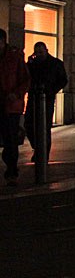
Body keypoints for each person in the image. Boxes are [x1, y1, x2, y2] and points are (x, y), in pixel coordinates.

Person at [24, 42, 67, 161]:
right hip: (33, 97)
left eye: (41, 52)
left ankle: (43, 154)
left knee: (44, 126)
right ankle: (38, 148)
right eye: (36, 52)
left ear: (46, 51)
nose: (38, 55)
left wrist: (52, 90)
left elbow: (63, 80)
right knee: (29, 124)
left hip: (47, 98)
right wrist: (29, 63)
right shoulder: (33, 64)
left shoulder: (55, 64)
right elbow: (26, 77)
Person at [0, 29, 30, 185]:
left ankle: (12, 170)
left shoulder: (14, 58)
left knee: (10, 139)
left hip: (11, 106)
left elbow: (25, 80)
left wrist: (16, 94)